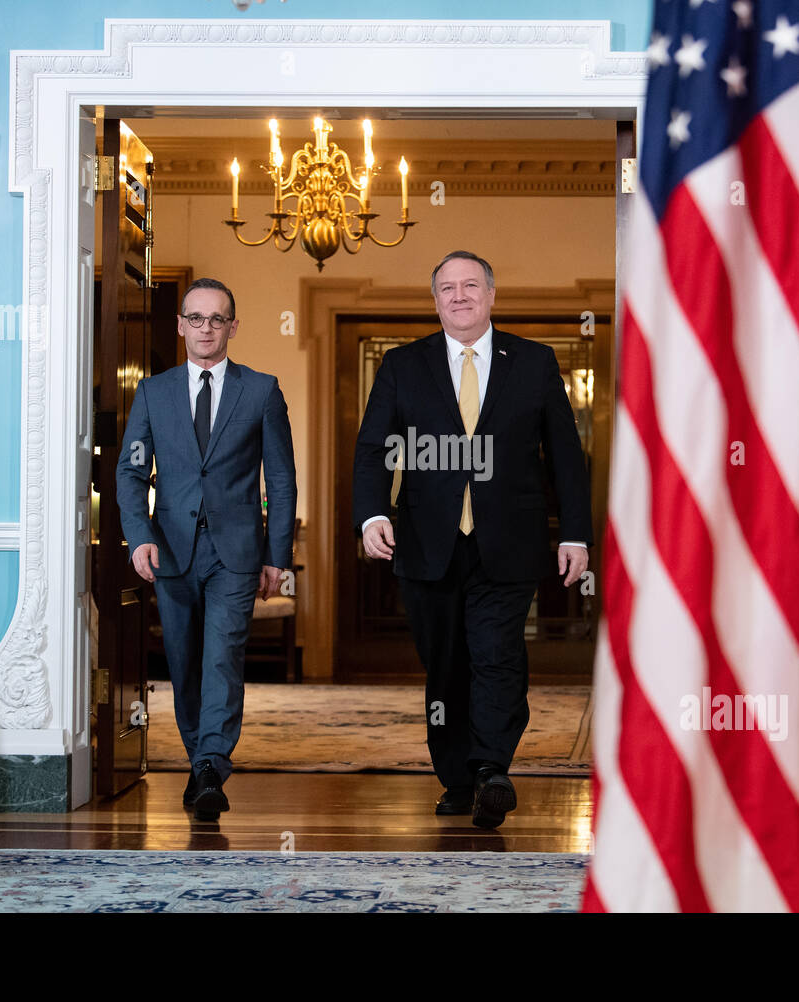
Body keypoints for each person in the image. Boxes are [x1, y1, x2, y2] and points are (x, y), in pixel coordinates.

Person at [352, 250, 592, 828]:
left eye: (470, 286)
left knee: (497, 652)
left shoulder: (534, 363)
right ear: (435, 300)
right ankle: (457, 776)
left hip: (508, 540)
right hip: (426, 545)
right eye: (447, 288)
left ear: (491, 295)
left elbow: (565, 456)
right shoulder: (403, 365)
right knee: (445, 664)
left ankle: (491, 768)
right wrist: (371, 515)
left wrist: (577, 534)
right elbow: (373, 448)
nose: (458, 296)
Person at [116, 277, 296, 821]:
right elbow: (130, 473)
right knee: (184, 663)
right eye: (195, 318)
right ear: (180, 325)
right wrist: (139, 537)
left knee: (222, 655)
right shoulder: (154, 392)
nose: (205, 328)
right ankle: (202, 764)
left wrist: (277, 558)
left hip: (236, 554)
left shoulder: (261, 390)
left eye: (217, 319)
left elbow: (282, 481)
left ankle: (213, 764)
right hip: (169, 552)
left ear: (232, 327)